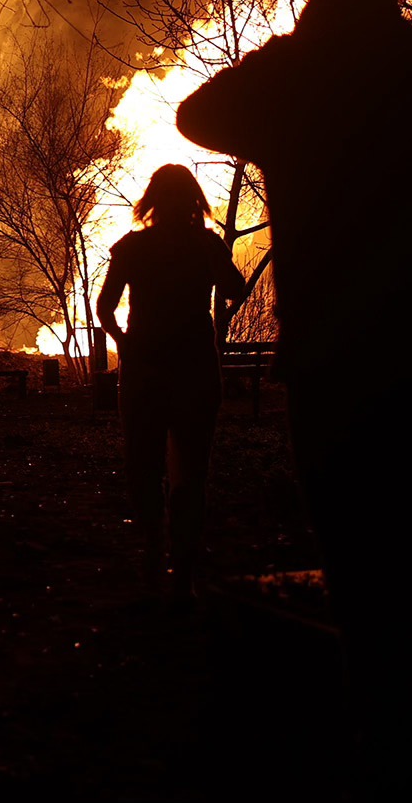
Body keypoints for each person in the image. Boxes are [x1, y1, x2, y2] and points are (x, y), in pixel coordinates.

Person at [175, 0, 412, 785]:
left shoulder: (290, 99)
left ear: (316, 21)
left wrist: (285, 54)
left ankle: (389, 751)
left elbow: (198, 113)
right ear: (393, 21)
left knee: (363, 581)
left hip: (335, 370)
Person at [95, 163, 249, 603]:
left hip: (144, 369)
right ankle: (184, 571)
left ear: (153, 200)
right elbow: (237, 287)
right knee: (192, 473)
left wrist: (124, 343)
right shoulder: (206, 245)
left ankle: (151, 554)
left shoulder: (131, 248)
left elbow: (105, 308)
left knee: (143, 468)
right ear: (195, 201)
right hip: (197, 367)